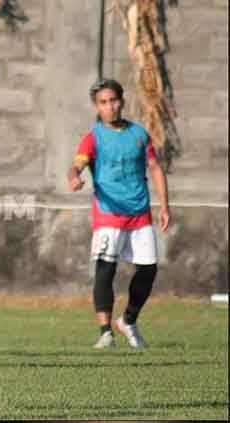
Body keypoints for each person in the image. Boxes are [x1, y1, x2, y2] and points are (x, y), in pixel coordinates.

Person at [68, 78, 170, 349]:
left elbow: (155, 168)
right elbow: (77, 164)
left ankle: (128, 319)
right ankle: (105, 332)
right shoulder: (93, 137)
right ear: (97, 106)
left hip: (139, 213)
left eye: (113, 101)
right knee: (105, 271)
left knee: (148, 270)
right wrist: (74, 177)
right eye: (103, 103)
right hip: (108, 214)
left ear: (122, 101)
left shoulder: (138, 134)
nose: (110, 107)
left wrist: (164, 206)